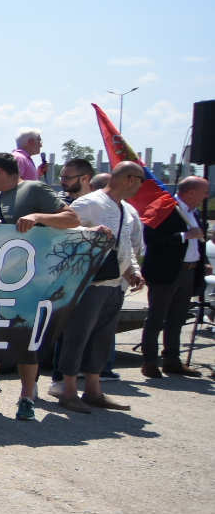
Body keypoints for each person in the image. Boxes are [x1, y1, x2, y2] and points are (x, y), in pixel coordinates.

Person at [0, 151, 81, 419]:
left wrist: (39, 217)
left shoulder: (34, 188)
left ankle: (27, 397)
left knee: (26, 339)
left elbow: (72, 219)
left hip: (31, 281)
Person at [51, 163, 145, 412]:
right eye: (140, 181)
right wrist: (87, 229)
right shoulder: (90, 202)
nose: (141, 186)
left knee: (102, 337)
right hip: (89, 283)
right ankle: (68, 390)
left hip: (115, 283)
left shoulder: (127, 209)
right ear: (129, 179)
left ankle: (93, 390)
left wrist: (133, 272)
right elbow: (59, 228)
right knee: (77, 335)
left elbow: (125, 246)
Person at [140, 175, 211, 377]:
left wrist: (202, 259)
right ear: (191, 193)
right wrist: (183, 236)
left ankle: (172, 360)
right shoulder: (163, 207)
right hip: (166, 271)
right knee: (156, 318)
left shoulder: (192, 212)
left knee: (177, 318)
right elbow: (151, 238)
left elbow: (197, 240)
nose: (207, 196)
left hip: (189, 271)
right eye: (205, 192)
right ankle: (150, 361)